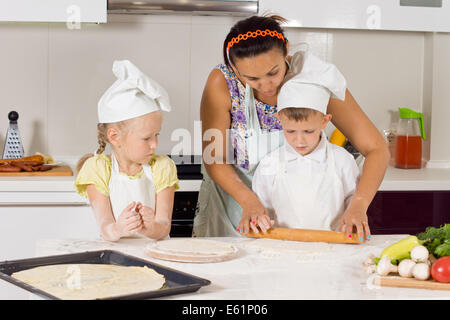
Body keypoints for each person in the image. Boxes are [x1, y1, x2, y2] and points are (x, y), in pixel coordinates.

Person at [192, 15, 389, 240]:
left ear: (286, 49)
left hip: (298, 217)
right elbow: (214, 159)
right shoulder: (222, 82)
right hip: (234, 210)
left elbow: (376, 149)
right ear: (234, 69)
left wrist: (358, 205)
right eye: (252, 78)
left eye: (273, 72)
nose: (266, 86)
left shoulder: (314, 80)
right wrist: (250, 201)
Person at [251, 62, 361, 236]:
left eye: (308, 131)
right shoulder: (269, 164)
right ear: (280, 119)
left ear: (324, 121)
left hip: (333, 251)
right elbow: (261, 209)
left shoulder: (342, 161)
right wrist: (259, 221)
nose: (299, 140)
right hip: (282, 251)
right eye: (291, 131)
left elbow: (353, 203)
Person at [75, 60, 179, 242]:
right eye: (146, 138)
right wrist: (119, 229)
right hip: (114, 258)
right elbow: (105, 226)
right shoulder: (98, 169)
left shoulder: (162, 167)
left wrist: (152, 228)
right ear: (115, 137)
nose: (154, 144)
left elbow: (164, 226)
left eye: (157, 135)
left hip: (155, 255)